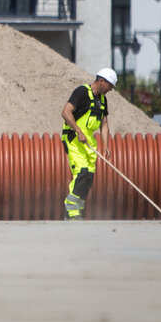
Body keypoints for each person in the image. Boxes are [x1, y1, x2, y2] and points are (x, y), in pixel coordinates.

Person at [60, 68, 115, 220]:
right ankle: (71, 212)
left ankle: (78, 211)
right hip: (74, 139)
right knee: (82, 172)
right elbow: (65, 112)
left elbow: (104, 124)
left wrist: (106, 146)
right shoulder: (82, 92)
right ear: (101, 81)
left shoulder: (102, 100)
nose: (110, 89)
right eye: (109, 86)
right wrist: (78, 131)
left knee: (88, 177)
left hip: (88, 141)